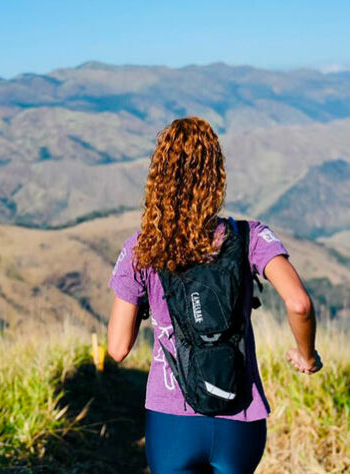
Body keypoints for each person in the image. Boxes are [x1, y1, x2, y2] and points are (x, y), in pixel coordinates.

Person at [106, 117, 322, 473]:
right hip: (240, 415)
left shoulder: (140, 249)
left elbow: (116, 349)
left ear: (158, 178)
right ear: (215, 177)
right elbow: (299, 304)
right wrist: (307, 355)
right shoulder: (250, 236)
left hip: (171, 420)